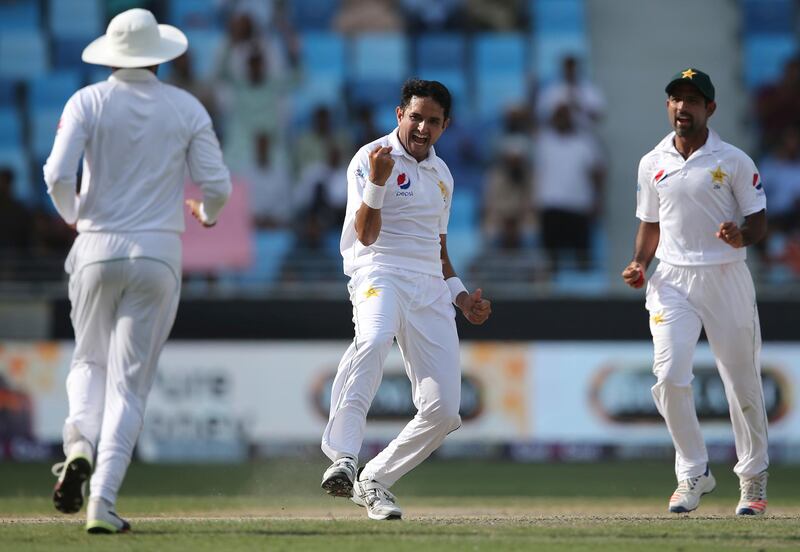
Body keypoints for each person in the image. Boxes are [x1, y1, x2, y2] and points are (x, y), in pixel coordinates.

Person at [43, 9, 231, 533]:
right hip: (157, 252)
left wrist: (76, 217)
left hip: (95, 248)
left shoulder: (87, 100)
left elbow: (56, 173)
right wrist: (209, 217)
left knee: (88, 362)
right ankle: (101, 501)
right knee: (129, 386)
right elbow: (216, 187)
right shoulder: (186, 107)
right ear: (158, 54)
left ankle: (78, 444)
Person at [320, 79, 492, 520]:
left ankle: (374, 481)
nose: (422, 128)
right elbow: (366, 234)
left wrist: (459, 296)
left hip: (430, 287)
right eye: (415, 117)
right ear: (400, 115)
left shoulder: (443, 175)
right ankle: (342, 455)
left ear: (445, 126)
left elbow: (439, 249)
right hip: (378, 271)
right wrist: (377, 184)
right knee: (375, 339)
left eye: (433, 121)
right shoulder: (371, 157)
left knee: (444, 410)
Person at [621, 69, 768, 516]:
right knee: (667, 378)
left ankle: (753, 479)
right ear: (668, 106)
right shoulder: (652, 162)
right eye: (675, 99)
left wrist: (740, 235)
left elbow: (759, 222)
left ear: (710, 109)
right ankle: (693, 471)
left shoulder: (735, 160)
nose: (683, 107)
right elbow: (650, 224)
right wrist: (639, 264)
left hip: (725, 276)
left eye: (692, 100)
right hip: (671, 280)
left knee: (740, 381)